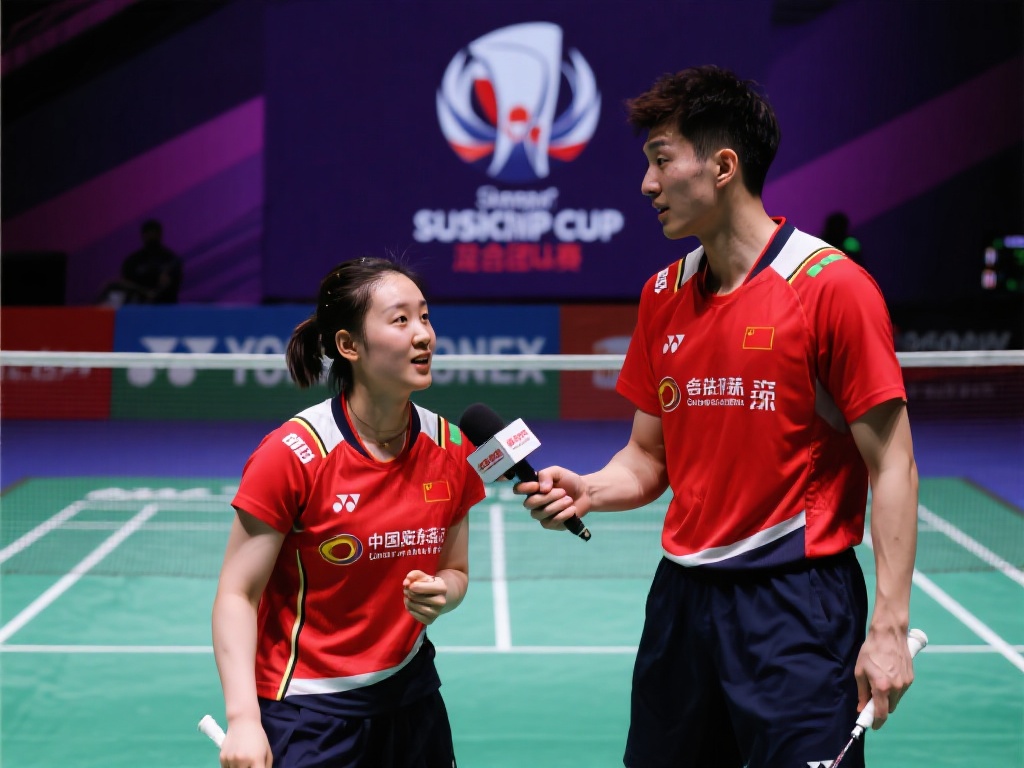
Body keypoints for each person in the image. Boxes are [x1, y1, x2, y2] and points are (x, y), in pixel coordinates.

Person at [519, 66, 919, 768]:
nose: (647, 185)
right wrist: (590, 489)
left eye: (661, 160)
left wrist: (888, 626)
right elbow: (648, 458)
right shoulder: (662, 294)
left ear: (724, 166)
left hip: (794, 602)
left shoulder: (830, 289)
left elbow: (893, 464)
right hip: (682, 601)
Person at [211, 256, 486, 768]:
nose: (423, 335)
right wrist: (243, 718)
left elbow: (457, 571)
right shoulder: (293, 455)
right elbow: (236, 595)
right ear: (348, 345)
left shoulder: (450, 447)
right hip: (310, 710)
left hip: (411, 697)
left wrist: (443, 592)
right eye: (400, 320)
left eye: (425, 317)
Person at [97, 219, 183, 305]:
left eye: (154, 233)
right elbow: (126, 283)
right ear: (143, 235)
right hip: (138, 305)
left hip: (165, 305)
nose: (152, 236)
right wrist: (143, 292)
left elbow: (175, 283)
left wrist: (166, 284)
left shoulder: (171, 259)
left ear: (160, 234)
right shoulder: (133, 261)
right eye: (149, 233)